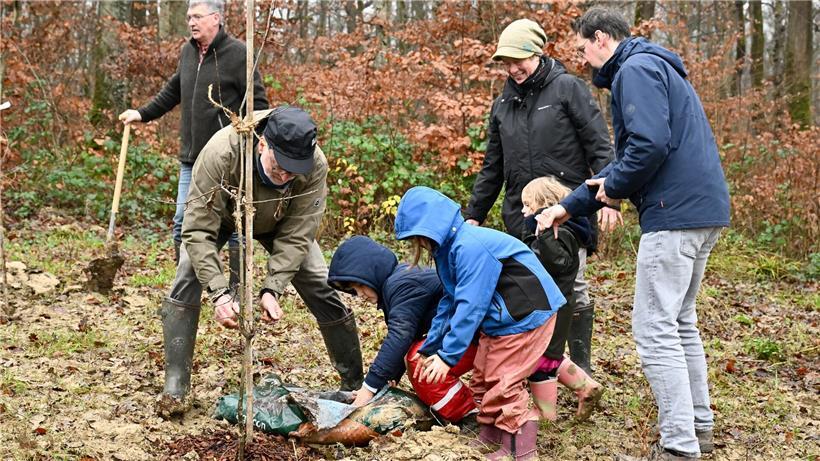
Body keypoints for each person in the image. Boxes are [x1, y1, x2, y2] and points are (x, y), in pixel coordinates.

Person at [537, 8, 731, 460]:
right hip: (703, 212)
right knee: (680, 322)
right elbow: (625, 162)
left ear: (602, 39)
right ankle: (698, 428)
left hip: (673, 215)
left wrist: (615, 188)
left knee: (654, 329)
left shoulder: (634, 70)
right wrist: (567, 208)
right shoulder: (657, 66)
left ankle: (679, 447)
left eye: (583, 50)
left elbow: (646, 148)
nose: (583, 61)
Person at [156, 106, 363, 418]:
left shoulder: (315, 164)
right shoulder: (222, 152)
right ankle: (176, 384)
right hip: (223, 217)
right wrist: (219, 292)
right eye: (279, 168)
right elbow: (197, 229)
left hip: (282, 221)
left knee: (321, 281)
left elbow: (299, 232)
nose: (285, 176)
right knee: (188, 271)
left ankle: (355, 382)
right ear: (263, 143)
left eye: (293, 172)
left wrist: (273, 287)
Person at [464, 18, 622, 375]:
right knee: (530, 290)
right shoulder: (503, 104)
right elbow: (493, 167)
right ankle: (537, 367)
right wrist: (474, 213)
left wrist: (610, 197)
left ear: (538, 52)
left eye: (519, 59)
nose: (512, 68)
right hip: (521, 213)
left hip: (568, 208)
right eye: (506, 61)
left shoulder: (568, 89)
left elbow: (600, 147)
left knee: (572, 286)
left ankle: (580, 369)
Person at [396, 186, 566, 461]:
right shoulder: (448, 251)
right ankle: (490, 436)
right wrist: (431, 348)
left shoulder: (470, 246)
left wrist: (448, 357)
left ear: (433, 228)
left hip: (525, 316)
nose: (420, 245)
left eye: (419, 238)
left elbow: (470, 306)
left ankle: (522, 451)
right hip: (499, 322)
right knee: (483, 376)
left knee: (503, 381)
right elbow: (449, 302)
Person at [119, 0, 268, 289]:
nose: (191, 22)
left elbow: (258, 106)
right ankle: (185, 291)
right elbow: (174, 90)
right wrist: (141, 113)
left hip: (230, 160)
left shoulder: (239, 54)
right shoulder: (188, 52)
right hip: (191, 159)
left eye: (197, 16)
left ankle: (238, 292)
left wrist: (255, 145)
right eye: (189, 17)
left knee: (234, 226)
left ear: (216, 18)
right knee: (182, 223)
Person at [327, 236, 477, 423]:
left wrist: (368, 388)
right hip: (469, 335)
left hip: (478, 336)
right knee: (417, 353)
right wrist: (389, 378)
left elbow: (400, 336)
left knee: (420, 361)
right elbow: (407, 337)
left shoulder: (402, 284)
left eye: (359, 285)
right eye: (354, 291)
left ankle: (467, 416)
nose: (360, 295)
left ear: (372, 271)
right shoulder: (399, 280)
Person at [520, 177, 602, 423]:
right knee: (550, 355)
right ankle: (585, 386)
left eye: (527, 205)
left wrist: (543, 234)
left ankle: (547, 415)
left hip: (552, 306)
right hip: (552, 304)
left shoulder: (558, 232)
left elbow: (559, 264)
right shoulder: (550, 231)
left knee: (542, 360)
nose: (523, 210)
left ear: (543, 204)